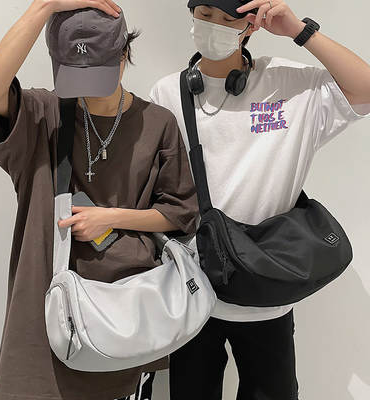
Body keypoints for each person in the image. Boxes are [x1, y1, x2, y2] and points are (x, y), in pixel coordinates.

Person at [0, 1, 199, 400]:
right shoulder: (44, 115)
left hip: (125, 317)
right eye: (75, 75)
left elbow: (180, 214)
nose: (87, 89)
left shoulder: (157, 123)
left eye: (97, 73)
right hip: (42, 315)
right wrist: (45, 6)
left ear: (124, 55)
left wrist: (111, 217)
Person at [148, 0, 370, 399]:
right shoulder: (167, 93)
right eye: (204, 15)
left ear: (249, 27)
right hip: (194, 293)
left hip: (269, 291)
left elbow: (366, 89)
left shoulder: (290, 85)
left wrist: (299, 30)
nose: (212, 25)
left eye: (227, 19)